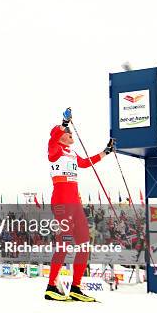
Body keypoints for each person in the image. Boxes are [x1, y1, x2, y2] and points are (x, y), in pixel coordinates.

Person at [45, 108, 114, 302]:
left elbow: (86, 162)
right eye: (68, 133)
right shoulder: (54, 149)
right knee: (65, 242)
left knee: (84, 244)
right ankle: (51, 286)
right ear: (61, 136)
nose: (71, 134)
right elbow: (54, 135)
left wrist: (106, 152)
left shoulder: (72, 153)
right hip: (61, 201)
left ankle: (75, 288)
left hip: (75, 203)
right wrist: (63, 123)